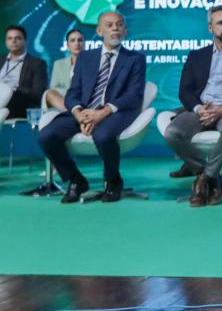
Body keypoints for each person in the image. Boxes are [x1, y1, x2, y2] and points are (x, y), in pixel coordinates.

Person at [38, 12, 146, 203]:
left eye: (119, 25)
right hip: (85, 111)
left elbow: (134, 96)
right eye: (109, 25)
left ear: (125, 30)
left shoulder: (135, 59)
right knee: (47, 135)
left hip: (116, 111)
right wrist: (80, 114)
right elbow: (73, 93)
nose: (115, 28)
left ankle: (113, 181)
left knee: (103, 135)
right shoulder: (86, 57)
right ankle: (76, 180)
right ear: (99, 30)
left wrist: (102, 113)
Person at [163, 5, 222, 207]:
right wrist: (199, 109)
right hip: (201, 110)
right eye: (221, 23)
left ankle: (203, 180)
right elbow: (185, 91)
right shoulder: (196, 55)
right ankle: (211, 176)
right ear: (210, 28)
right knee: (172, 132)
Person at [0, 25, 48, 118]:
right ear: (6, 42)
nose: (13, 41)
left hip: (17, 101)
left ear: (25, 41)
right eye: (10, 38)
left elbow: (38, 93)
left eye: (17, 38)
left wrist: (14, 88)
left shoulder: (37, 63)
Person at [45, 29, 86, 110]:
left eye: (80, 40)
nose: (77, 43)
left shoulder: (93, 63)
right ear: (67, 45)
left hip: (83, 100)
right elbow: (54, 87)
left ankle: (75, 112)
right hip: (64, 100)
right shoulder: (59, 64)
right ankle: (74, 112)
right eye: (73, 40)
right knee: (49, 93)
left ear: (84, 44)